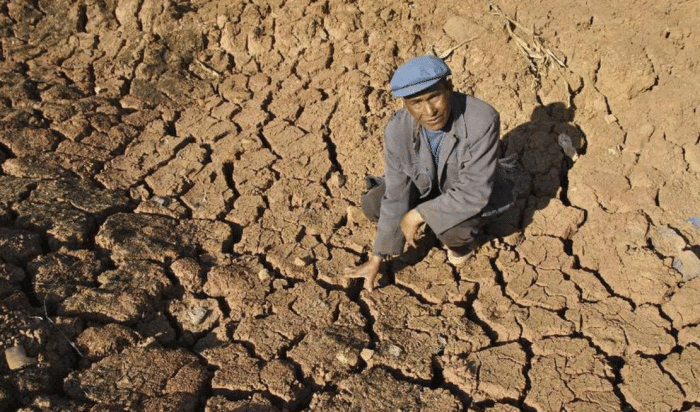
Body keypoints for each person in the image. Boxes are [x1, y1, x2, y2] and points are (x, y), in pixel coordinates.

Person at [344, 55, 514, 291]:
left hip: (469, 190)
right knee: (374, 204)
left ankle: (462, 245)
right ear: (405, 104)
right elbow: (396, 193)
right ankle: (430, 214)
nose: (429, 111)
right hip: (427, 184)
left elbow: (474, 191)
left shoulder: (481, 119)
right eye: (416, 103)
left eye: (434, 96)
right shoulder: (396, 130)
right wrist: (377, 257)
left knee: (453, 231)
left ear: (449, 88)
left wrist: (416, 215)